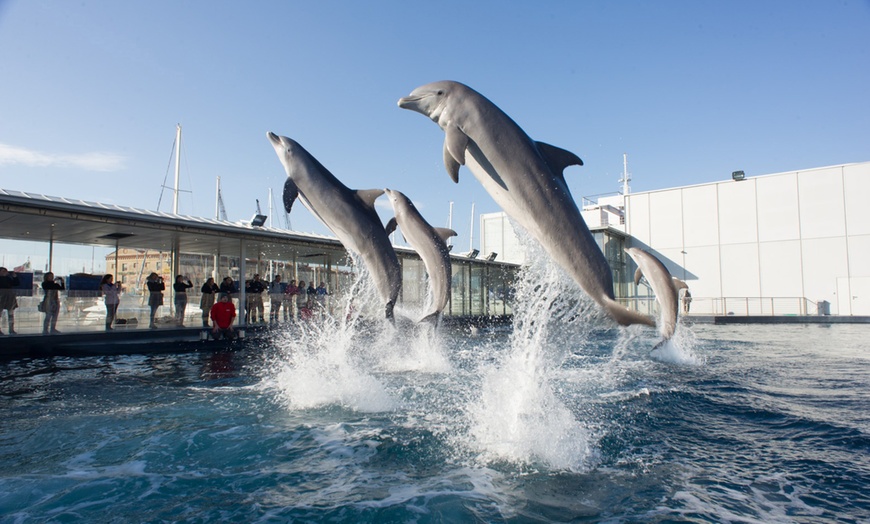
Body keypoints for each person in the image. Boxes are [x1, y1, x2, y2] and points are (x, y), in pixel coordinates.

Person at [0, 267, 20, 335]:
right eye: (3, 271)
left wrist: (14, 277)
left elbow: (16, 283)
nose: (4, 273)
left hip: (9, 296)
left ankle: (11, 329)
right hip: (1, 296)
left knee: (11, 313)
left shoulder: (8, 278)